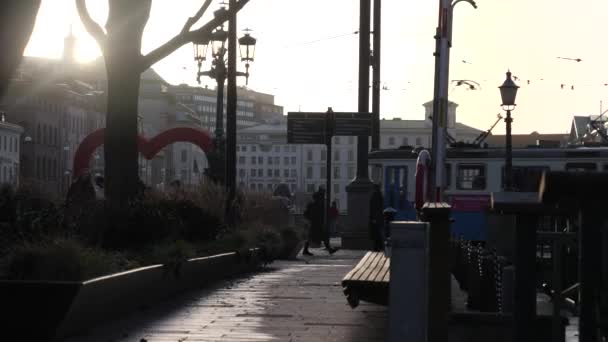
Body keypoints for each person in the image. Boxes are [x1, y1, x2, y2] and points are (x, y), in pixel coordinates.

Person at [303, 188, 338, 256]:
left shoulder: (313, 204)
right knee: (317, 236)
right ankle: (329, 249)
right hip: (316, 223)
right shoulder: (319, 205)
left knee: (315, 236)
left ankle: (329, 249)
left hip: (315, 223)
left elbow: (306, 214)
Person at [369, 183, 385, 252]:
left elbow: (375, 207)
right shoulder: (379, 195)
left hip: (375, 218)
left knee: (376, 233)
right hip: (379, 217)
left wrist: (374, 218)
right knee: (377, 232)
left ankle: (377, 247)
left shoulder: (375, 195)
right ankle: (378, 246)